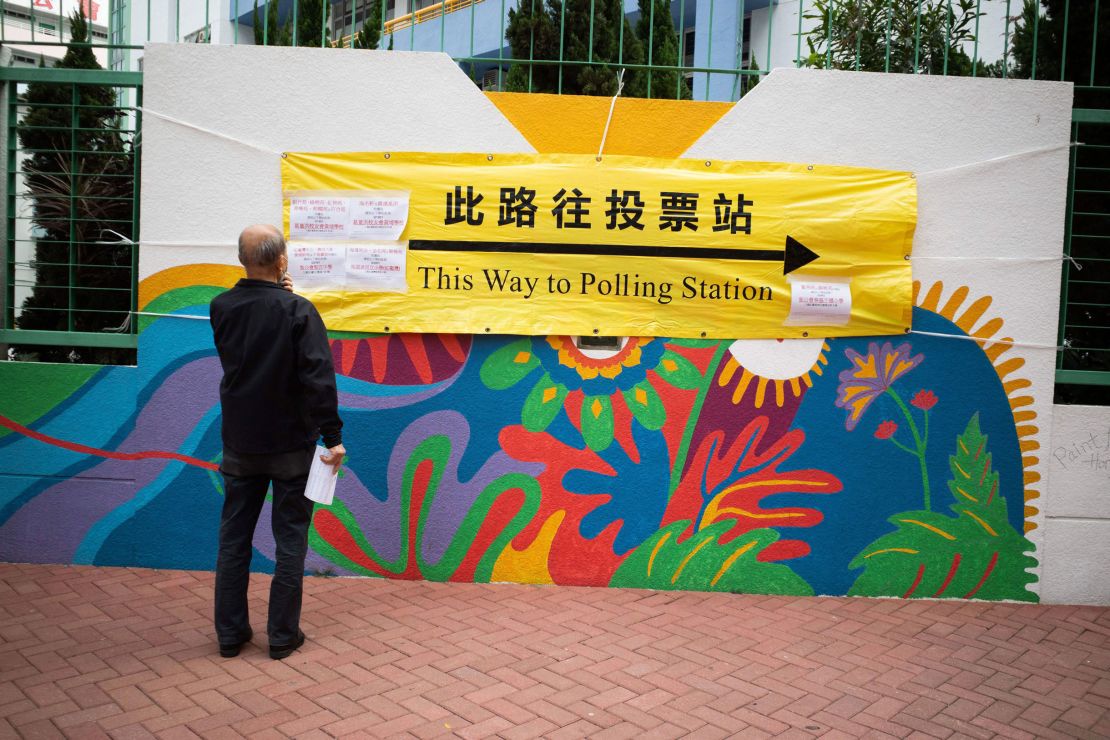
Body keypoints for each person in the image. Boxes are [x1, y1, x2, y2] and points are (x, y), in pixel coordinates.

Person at [209, 224, 346, 660]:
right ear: (282, 260)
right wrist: (333, 438)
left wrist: (282, 294)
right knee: (290, 539)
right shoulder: (299, 312)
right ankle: (283, 636)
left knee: (234, 540)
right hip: (290, 446)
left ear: (240, 259)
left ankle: (231, 635)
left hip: (240, 444)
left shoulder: (221, 307)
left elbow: (249, 334)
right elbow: (318, 380)